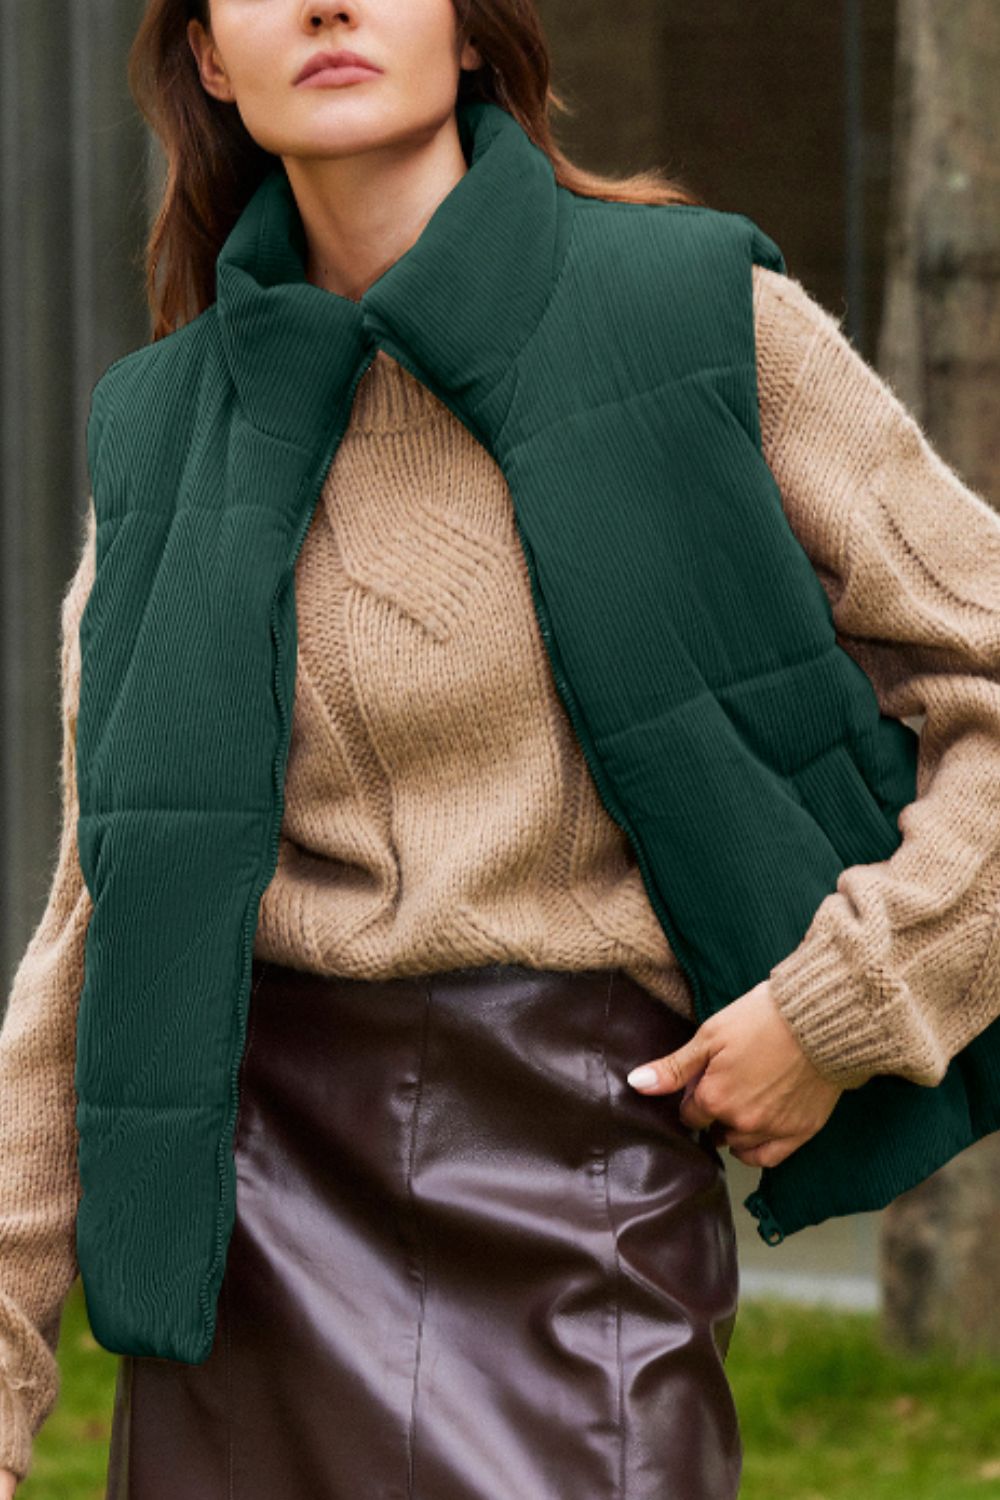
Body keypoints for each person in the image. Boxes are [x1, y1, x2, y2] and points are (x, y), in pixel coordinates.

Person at [3, 0, 1000, 1495]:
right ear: (208, 56)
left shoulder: (695, 315)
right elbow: (97, 920)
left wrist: (845, 1002)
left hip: (580, 1220)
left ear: (472, 32)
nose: (326, 3)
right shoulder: (164, 429)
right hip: (237, 1249)